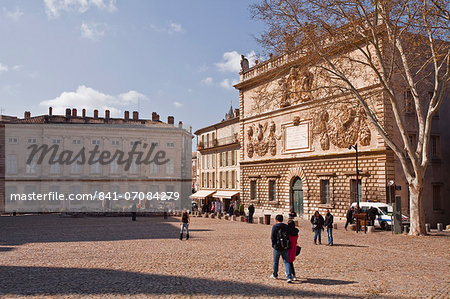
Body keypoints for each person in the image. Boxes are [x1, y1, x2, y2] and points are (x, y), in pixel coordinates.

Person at [270, 215, 293, 282]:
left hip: (277, 246)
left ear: (276, 220)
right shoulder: (286, 226)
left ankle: (275, 275)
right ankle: (289, 276)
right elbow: (290, 234)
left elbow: (272, 237)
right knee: (286, 261)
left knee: (276, 261)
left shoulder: (275, 227)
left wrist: (273, 244)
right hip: (285, 246)